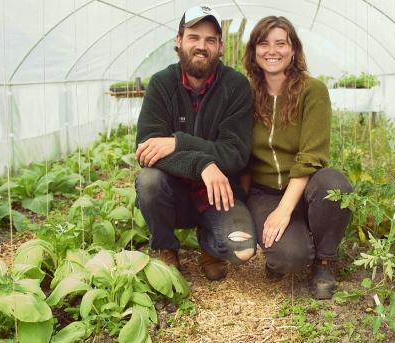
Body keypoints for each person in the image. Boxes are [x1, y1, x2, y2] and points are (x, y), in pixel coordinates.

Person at [134, 5, 256, 281]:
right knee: (149, 181)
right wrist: (202, 164)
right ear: (178, 41)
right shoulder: (162, 84)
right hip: (174, 192)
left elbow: (235, 154)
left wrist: (178, 143)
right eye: (194, 37)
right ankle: (167, 247)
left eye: (210, 40)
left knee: (242, 250)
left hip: (220, 194)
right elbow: (146, 149)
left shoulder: (235, 86)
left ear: (220, 47)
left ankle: (209, 243)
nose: (202, 46)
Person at [242, 16, 353, 299]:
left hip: (306, 186)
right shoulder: (245, 93)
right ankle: (297, 242)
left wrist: (284, 211)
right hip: (265, 192)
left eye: (281, 43)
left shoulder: (312, 90)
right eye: (264, 43)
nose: (272, 51)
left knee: (335, 187)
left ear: (294, 50)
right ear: (254, 51)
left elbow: (311, 156)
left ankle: (324, 261)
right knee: (289, 258)